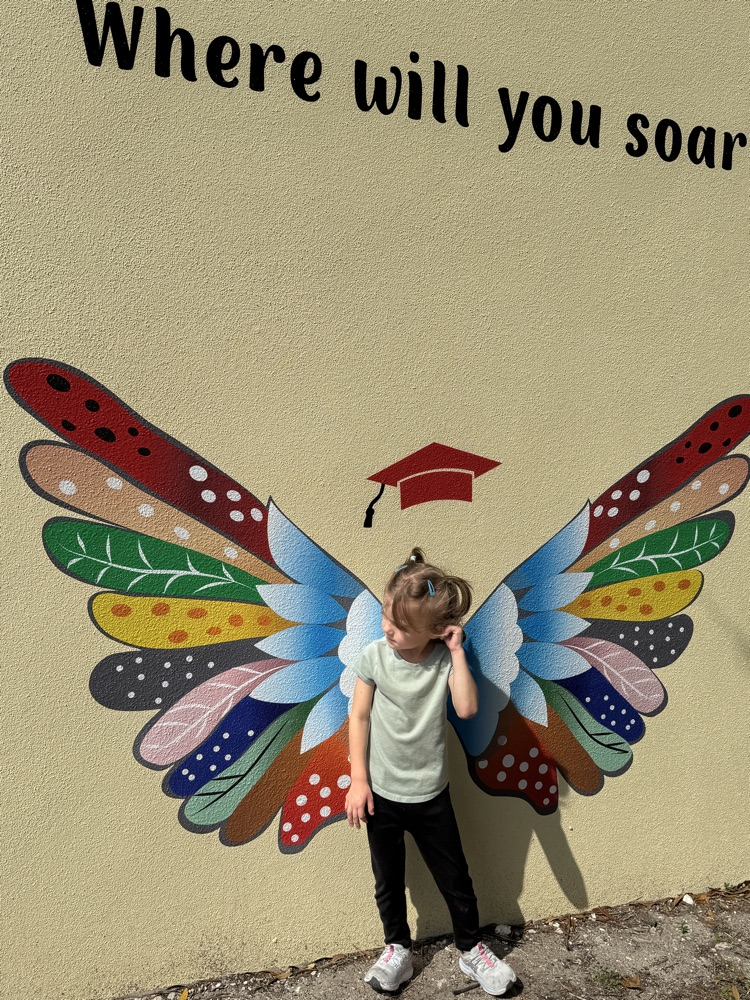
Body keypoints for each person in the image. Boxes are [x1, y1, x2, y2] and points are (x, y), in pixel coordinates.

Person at [345, 549, 518, 997]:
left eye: (400, 626)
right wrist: (358, 781)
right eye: (386, 614)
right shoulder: (373, 657)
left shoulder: (443, 660)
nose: (388, 628)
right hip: (381, 794)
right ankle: (397, 949)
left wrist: (457, 652)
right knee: (387, 880)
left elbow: (465, 707)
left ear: (435, 632)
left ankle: (471, 949)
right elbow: (359, 717)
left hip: (430, 795)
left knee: (456, 879)